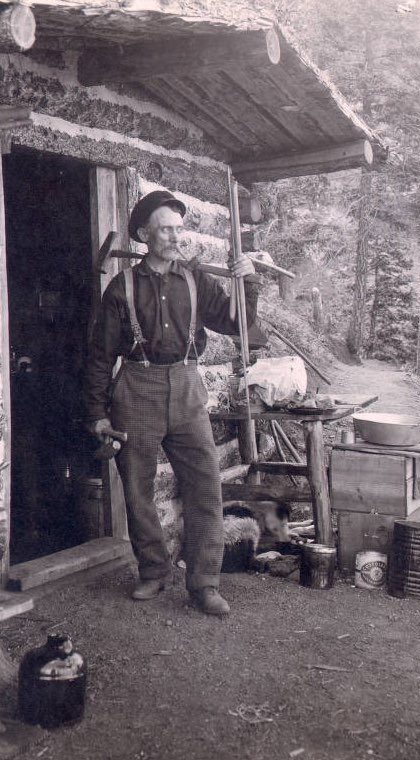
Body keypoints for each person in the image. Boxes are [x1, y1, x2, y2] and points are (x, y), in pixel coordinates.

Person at [84, 190, 258, 616]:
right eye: (166, 229)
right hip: (137, 389)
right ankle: (153, 571)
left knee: (205, 487)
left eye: (179, 228)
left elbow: (238, 324)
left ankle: (204, 583)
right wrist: (97, 414)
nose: (175, 237)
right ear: (145, 233)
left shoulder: (197, 279)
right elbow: (100, 357)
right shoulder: (121, 288)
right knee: (138, 489)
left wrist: (247, 281)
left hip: (186, 388)